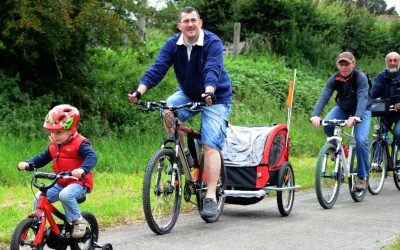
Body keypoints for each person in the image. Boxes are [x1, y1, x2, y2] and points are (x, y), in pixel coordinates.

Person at [128, 6, 232, 218]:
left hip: (215, 97)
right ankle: (181, 154)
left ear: (200, 23)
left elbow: (213, 68)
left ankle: (211, 196)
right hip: (187, 93)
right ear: (180, 26)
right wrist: (139, 91)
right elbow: (157, 69)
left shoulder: (212, 42)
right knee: (167, 111)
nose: (190, 24)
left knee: (210, 143)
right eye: (186, 21)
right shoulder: (172, 44)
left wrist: (209, 90)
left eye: (194, 20)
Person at [18, 104, 97, 238]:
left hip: (79, 183)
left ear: (71, 130)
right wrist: (28, 163)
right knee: (38, 197)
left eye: (59, 132)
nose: (54, 135)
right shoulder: (54, 146)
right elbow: (41, 159)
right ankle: (38, 228)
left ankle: (78, 221)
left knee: (65, 195)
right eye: (52, 132)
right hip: (60, 182)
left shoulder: (80, 143)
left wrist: (82, 169)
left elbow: (92, 157)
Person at [310, 51, 372, 191]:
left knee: (360, 140)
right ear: (337, 65)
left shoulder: (360, 77)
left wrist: (357, 116)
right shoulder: (334, 79)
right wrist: (315, 115)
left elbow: (363, 97)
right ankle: (340, 150)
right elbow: (324, 96)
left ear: (353, 64)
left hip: (363, 110)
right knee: (327, 123)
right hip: (343, 109)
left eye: (347, 64)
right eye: (341, 64)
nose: (344, 67)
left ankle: (362, 177)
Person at [370, 52, 400, 144]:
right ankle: (379, 156)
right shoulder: (381, 76)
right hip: (386, 112)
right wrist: (367, 102)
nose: (392, 63)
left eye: (395, 60)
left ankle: (396, 153)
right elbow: (373, 93)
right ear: (386, 62)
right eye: (390, 60)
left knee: (398, 133)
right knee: (379, 133)